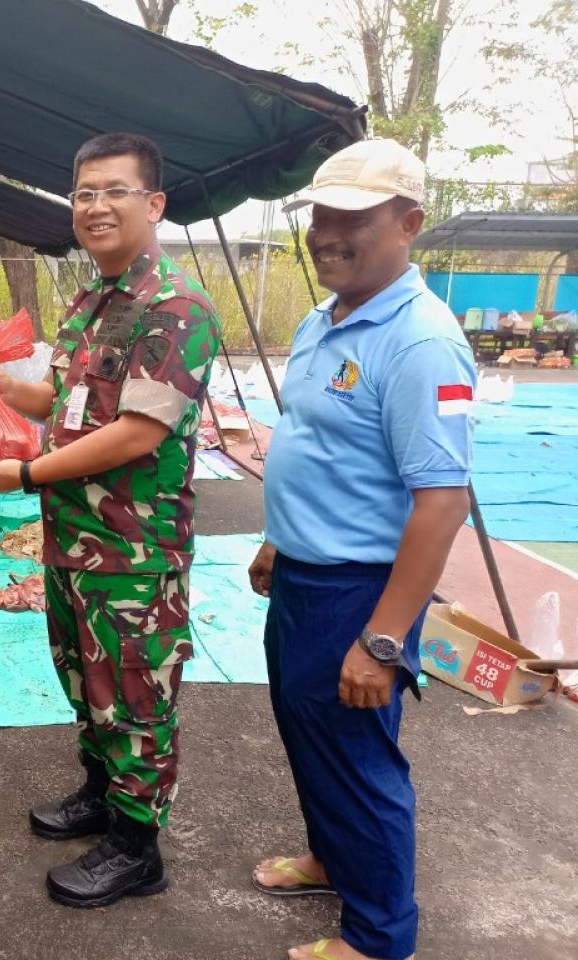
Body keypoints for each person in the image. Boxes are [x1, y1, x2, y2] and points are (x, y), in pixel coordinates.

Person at [0, 132, 221, 908]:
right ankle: (101, 794)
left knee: (137, 693)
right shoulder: (94, 299)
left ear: (155, 203)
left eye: (114, 191)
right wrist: (11, 393)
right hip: (76, 542)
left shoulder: (176, 307)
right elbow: (76, 405)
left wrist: (28, 472)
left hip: (132, 551)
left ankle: (138, 848)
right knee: (87, 680)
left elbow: (138, 432)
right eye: (84, 193)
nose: (96, 206)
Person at [247, 138, 475, 960]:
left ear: (408, 224)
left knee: (359, 760)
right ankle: (329, 858)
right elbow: (315, 441)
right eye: (322, 215)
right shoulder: (324, 318)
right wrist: (278, 538)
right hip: (305, 575)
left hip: (360, 590)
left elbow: (443, 502)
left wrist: (381, 640)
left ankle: (380, 937)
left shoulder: (419, 341)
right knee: (308, 733)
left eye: (355, 217)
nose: (328, 233)